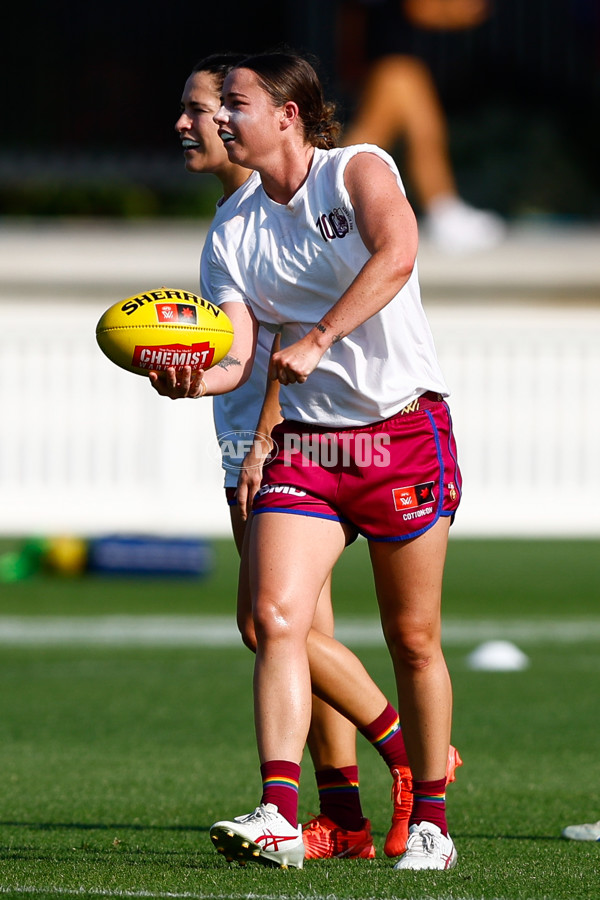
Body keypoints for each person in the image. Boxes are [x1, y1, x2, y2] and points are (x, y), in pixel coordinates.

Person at [153, 50, 462, 871]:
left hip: (398, 433)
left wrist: (321, 340)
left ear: (288, 115)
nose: (214, 121)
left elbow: (399, 253)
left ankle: (429, 810)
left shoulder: (357, 168)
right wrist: (189, 382)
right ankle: (282, 813)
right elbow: (241, 353)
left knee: (414, 638)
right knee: (276, 620)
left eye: (231, 106)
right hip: (309, 443)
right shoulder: (232, 231)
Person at [339, 0, 506, 253]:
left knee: (389, 134)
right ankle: (442, 209)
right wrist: (457, 12)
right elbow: (421, 8)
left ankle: (442, 209)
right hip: (389, 55)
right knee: (383, 136)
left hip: (393, 55)